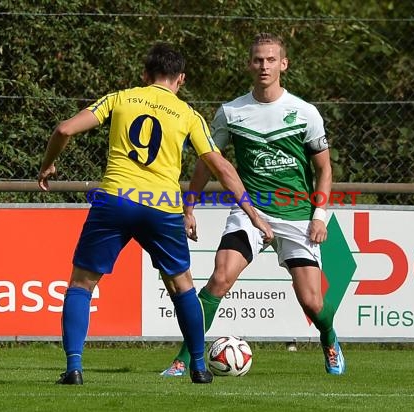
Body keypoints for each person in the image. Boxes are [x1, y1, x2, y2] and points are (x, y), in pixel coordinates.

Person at [37, 42, 274, 385]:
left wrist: (48, 166)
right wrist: (253, 214)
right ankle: (198, 366)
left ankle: (74, 367)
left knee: (81, 284)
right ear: (181, 78)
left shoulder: (119, 99)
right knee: (182, 287)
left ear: (145, 75)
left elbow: (64, 129)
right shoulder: (188, 115)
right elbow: (220, 166)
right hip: (161, 207)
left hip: (115, 200)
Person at [161, 33, 345, 377]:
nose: (264, 66)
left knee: (312, 302)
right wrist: (190, 206)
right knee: (219, 278)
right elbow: (207, 161)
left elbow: (324, 169)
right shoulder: (231, 112)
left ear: (283, 65)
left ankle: (329, 337)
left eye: (271, 60)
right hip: (251, 213)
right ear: (249, 64)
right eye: (258, 60)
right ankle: (185, 358)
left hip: (296, 217)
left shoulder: (304, 112)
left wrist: (319, 216)